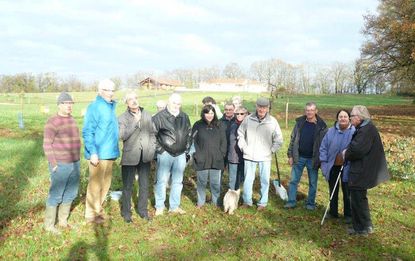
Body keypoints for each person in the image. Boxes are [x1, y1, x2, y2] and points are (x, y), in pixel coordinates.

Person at [343, 105, 389, 235]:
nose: (350, 118)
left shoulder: (366, 130)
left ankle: (361, 228)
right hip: (363, 169)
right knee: (360, 199)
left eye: (352, 116)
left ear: (359, 117)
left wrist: (346, 153)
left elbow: (357, 150)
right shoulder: (365, 128)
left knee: (357, 200)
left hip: (361, 171)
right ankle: (366, 226)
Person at [43, 92, 81, 233]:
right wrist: (53, 164)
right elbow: (47, 144)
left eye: (71, 103)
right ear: (59, 105)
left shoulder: (72, 120)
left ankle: (63, 221)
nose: (69, 106)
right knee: (56, 194)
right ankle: (49, 225)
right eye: (66, 103)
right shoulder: (52, 122)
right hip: (60, 164)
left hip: (75, 163)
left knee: (71, 192)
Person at [83, 79, 120, 224]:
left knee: (105, 184)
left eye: (112, 90)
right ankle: (90, 214)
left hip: (109, 153)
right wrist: (93, 152)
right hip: (98, 153)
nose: (110, 93)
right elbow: (87, 131)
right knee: (95, 184)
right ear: (100, 90)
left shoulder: (111, 107)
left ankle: (98, 210)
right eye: (107, 90)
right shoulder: (95, 107)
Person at [238, 97, 283, 210]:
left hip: (265, 157)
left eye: (264, 107)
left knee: (264, 180)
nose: (261, 109)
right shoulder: (248, 119)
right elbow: (240, 133)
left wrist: (271, 150)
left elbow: (279, 139)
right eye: (259, 106)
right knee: (248, 179)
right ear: (256, 107)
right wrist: (243, 147)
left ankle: (262, 203)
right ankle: (247, 201)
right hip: (249, 155)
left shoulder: (272, 121)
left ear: (267, 108)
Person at [118, 92, 156, 223]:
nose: (134, 101)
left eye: (135, 98)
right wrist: (134, 123)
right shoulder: (123, 118)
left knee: (144, 185)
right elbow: (122, 136)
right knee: (128, 186)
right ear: (126, 103)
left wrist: (151, 150)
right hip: (130, 156)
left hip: (145, 156)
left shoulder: (147, 114)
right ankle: (126, 213)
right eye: (130, 99)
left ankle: (142, 211)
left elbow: (152, 133)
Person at [152, 93, 192, 216]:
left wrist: (186, 150)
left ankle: (174, 206)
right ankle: (160, 206)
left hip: (180, 154)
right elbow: (151, 135)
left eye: (179, 103)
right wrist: (160, 150)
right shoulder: (159, 117)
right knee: (162, 181)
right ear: (169, 102)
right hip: (165, 154)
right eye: (174, 103)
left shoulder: (184, 116)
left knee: (177, 181)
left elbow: (189, 134)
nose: (176, 105)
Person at [285, 102, 327, 210]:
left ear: (316, 111)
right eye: (307, 110)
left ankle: (310, 204)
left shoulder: (322, 126)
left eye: (312, 110)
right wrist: (290, 155)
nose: (309, 112)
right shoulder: (300, 123)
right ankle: (291, 201)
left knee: (312, 182)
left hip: (312, 159)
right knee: (294, 181)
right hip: (298, 157)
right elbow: (293, 139)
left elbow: (324, 144)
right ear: (305, 111)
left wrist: (322, 160)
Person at [319, 109, 355, 223]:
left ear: (349, 118)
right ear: (337, 118)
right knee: (333, 190)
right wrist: (324, 162)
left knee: (347, 191)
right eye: (340, 116)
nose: (343, 118)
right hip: (332, 165)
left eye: (345, 116)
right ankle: (333, 212)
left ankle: (348, 214)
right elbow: (323, 147)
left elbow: (356, 147)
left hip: (347, 166)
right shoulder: (330, 131)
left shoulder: (354, 131)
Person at [191, 105, 227, 207]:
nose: (210, 115)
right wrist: (196, 154)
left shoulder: (219, 125)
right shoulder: (198, 125)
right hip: (201, 159)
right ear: (203, 113)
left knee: (215, 183)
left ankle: (215, 202)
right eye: (207, 113)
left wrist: (221, 154)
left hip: (216, 159)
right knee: (201, 183)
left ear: (214, 114)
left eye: (212, 113)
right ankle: (200, 202)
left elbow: (224, 141)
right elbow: (192, 141)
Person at [228, 106, 248, 190]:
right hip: (233, 156)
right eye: (237, 114)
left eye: (242, 113)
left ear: (246, 115)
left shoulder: (249, 126)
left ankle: (238, 193)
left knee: (241, 178)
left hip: (245, 156)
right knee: (232, 178)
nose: (239, 115)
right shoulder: (232, 125)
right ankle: (231, 196)